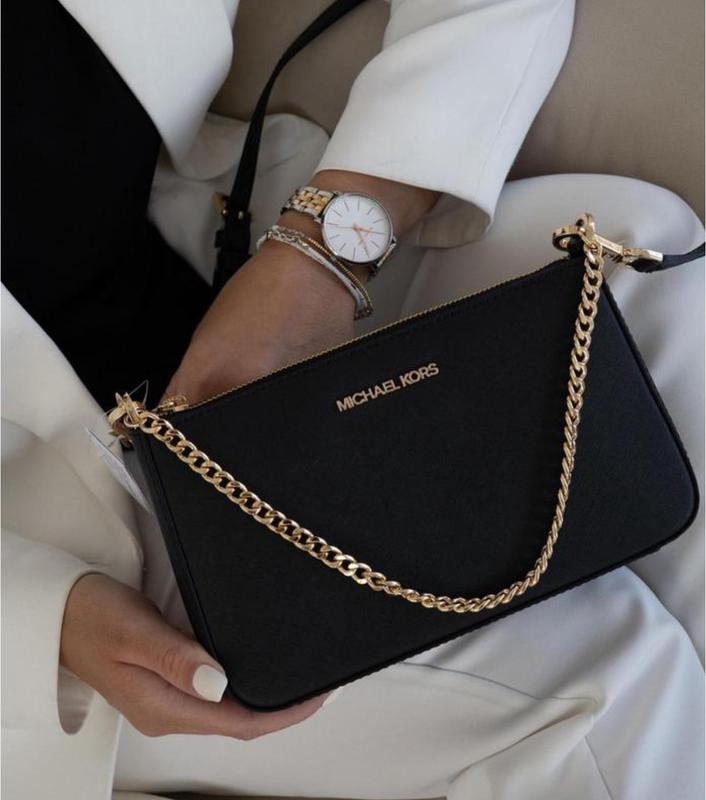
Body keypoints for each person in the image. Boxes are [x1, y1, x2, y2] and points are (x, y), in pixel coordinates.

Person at [2, 1, 703, 799]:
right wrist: (47, 624)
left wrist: (321, 258)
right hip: (79, 562)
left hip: (231, 266)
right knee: (608, 683)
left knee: (645, 261)